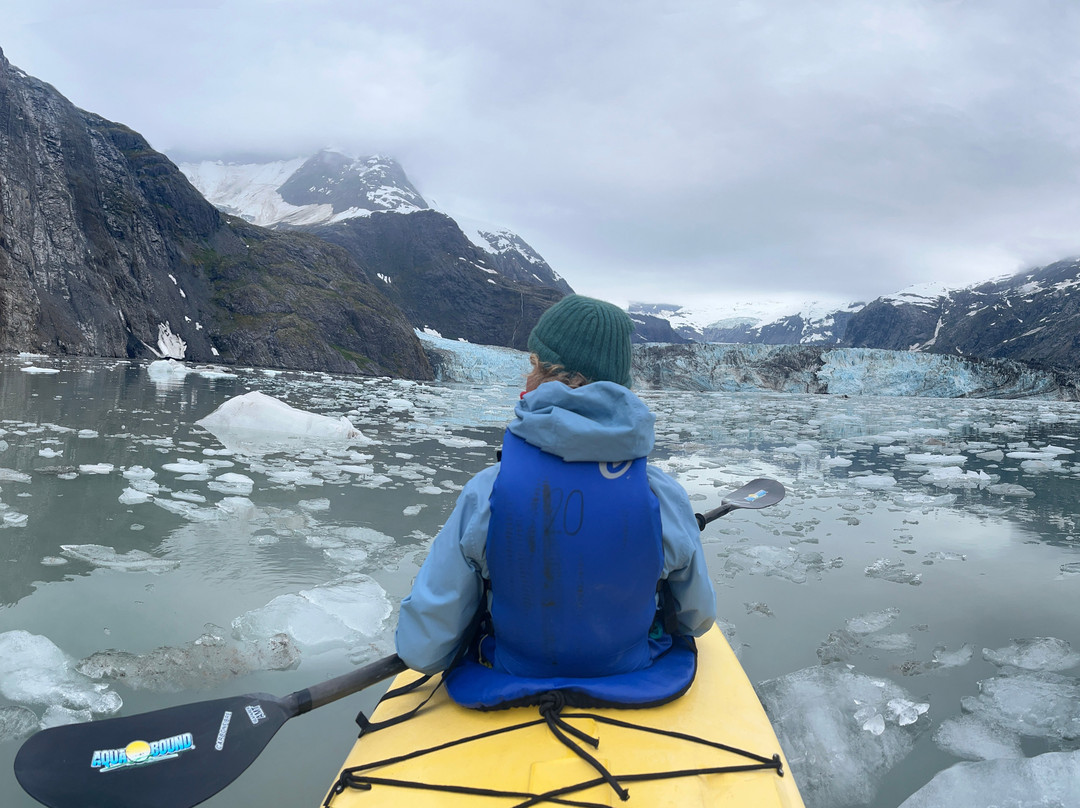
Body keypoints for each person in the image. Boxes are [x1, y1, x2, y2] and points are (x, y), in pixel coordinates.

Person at [395, 295, 716, 705]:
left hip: (510, 675)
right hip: (634, 675)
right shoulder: (663, 496)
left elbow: (423, 651)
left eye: (533, 365)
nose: (526, 376)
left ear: (550, 376)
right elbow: (697, 619)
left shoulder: (487, 492)